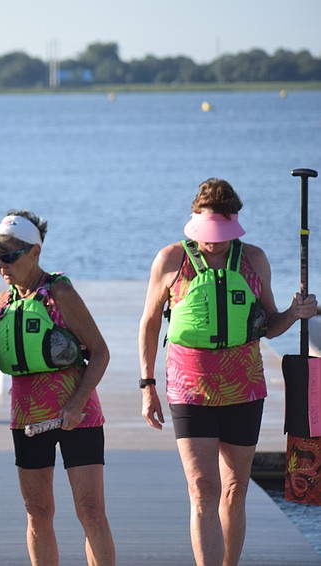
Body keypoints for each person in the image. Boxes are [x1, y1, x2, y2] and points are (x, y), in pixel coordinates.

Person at [138, 178, 317, 566]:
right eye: (206, 232)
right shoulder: (171, 259)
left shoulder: (253, 259)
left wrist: (294, 313)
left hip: (244, 387)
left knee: (235, 488)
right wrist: (147, 385)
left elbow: (268, 324)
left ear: (234, 224)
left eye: (220, 234)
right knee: (203, 487)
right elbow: (149, 324)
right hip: (189, 389)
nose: (213, 242)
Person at [0, 210, 116, 566]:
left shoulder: (60, 292)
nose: (1, 266)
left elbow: (100, 352)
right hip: (27, 417)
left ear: (35, 252)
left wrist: (77, 403)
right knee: (37, 511)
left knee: (90, 511)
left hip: (77, 414)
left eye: (9, 256)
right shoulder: (1, 304)